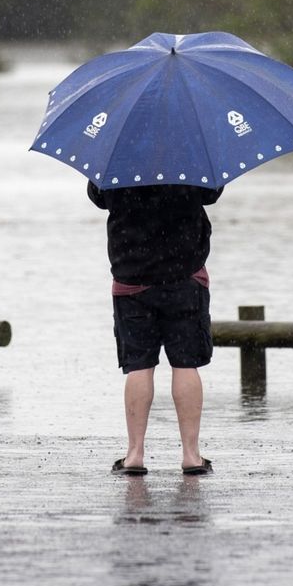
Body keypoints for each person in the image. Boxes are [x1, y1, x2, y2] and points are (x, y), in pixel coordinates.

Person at [88, 180, 222, 476]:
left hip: (131, 276)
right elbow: (211, 193)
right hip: (184, 274)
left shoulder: (118, 152)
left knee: (139, 365)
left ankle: (134, 454)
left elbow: (98, 197)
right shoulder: (190, 149)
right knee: (186, 364)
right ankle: (191, 455)